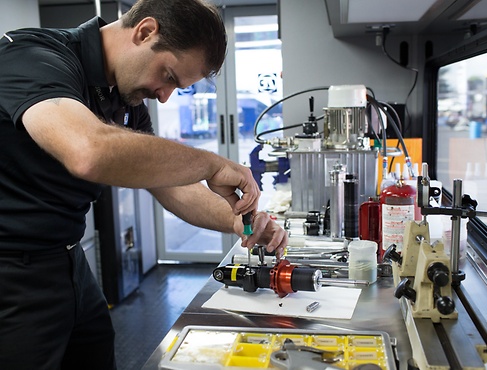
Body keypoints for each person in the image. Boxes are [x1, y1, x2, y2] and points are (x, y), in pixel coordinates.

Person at [0, 0, 288, 369]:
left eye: (178, 88)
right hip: (11, 272)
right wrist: (210, 163)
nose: (165, 96)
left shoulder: (122, 95)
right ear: (144, 31)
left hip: (68, 260)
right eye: (168, 76)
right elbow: (89, 150)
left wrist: (238, 221)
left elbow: (173, 186)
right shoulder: (32, 56)